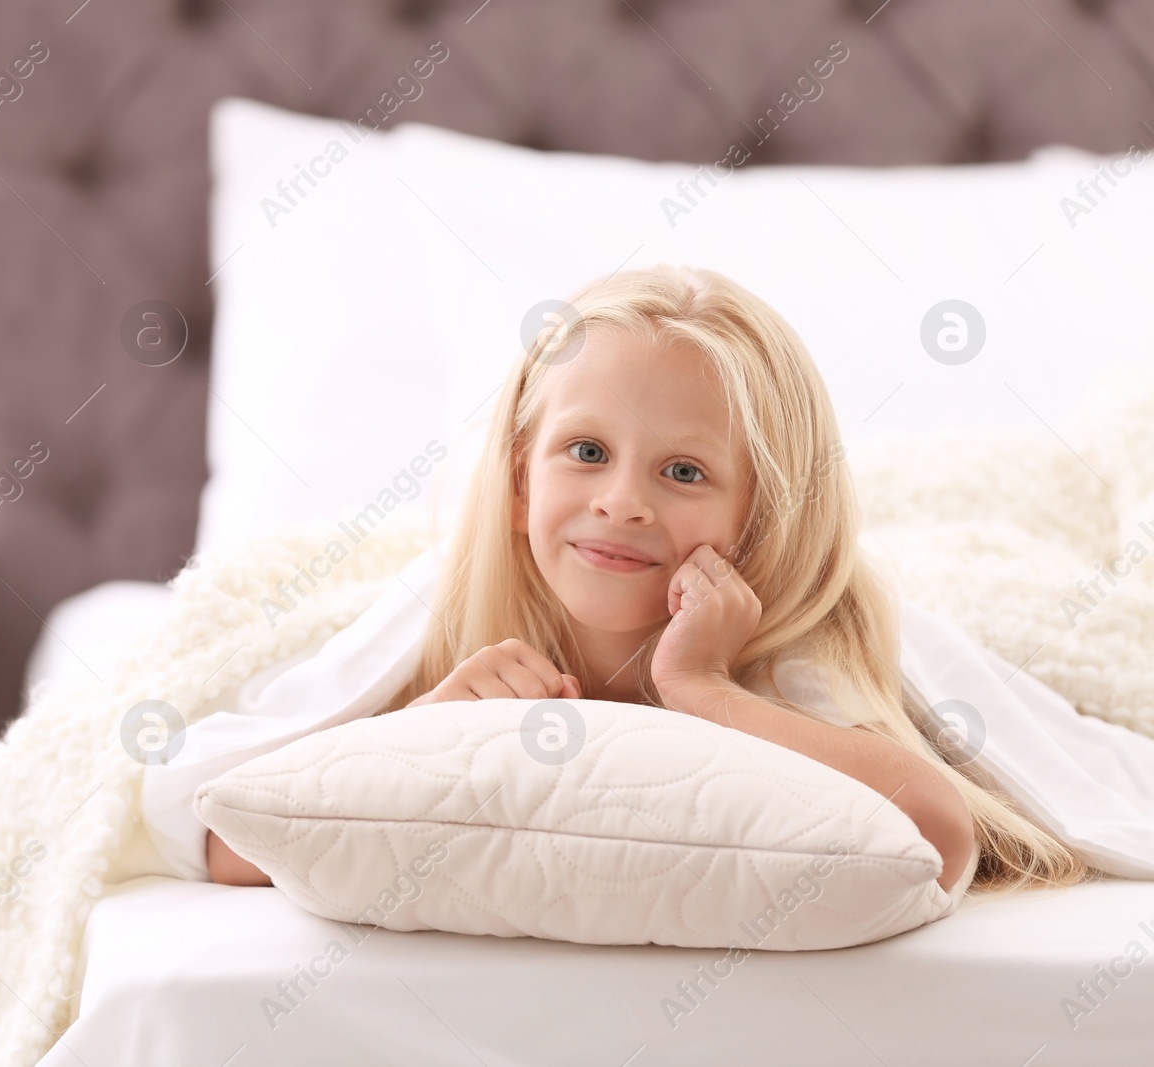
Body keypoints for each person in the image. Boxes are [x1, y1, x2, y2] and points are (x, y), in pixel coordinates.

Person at [147, 263, 1091, 897]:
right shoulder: (445, 607)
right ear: (521, 483)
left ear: (757, 522)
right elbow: (222, 831)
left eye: (684, 472)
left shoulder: (781, 646)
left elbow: (939, 835)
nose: (622, 502)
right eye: (586, 451)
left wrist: (703, 689)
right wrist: (420, 731)